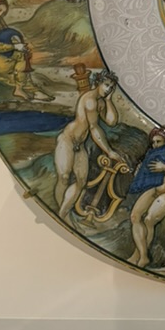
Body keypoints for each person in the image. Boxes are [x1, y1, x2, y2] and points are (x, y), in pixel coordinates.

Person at [54, 70, 123, 220]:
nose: (108, 89)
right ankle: (59, 212)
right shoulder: (90, 100)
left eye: (111, 87)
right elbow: (93, 128)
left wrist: (109, 100)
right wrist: (109, 151)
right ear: (98, 82)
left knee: (80, 182)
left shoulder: (100, 102)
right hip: (68, 140)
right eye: (106, 85)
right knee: (64, 177)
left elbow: (112, 122)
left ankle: (62, 214)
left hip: (79, 146)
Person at [127, 129, 165, 268]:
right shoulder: (151, 153)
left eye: (158, 142)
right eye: (153, 142)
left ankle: (140, 256)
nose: (155, 145)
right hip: (152, 188)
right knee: (135, 216)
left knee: (149, 220)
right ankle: (141, 255)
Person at [0, 0, 50, 101]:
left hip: (1, 53)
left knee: (23, 57)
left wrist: (18, 43)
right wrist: (15, 46)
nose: (1, 14)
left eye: (3, 12)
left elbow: (5, 38)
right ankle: (30, 90)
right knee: (18, 65)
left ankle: (22, 90)